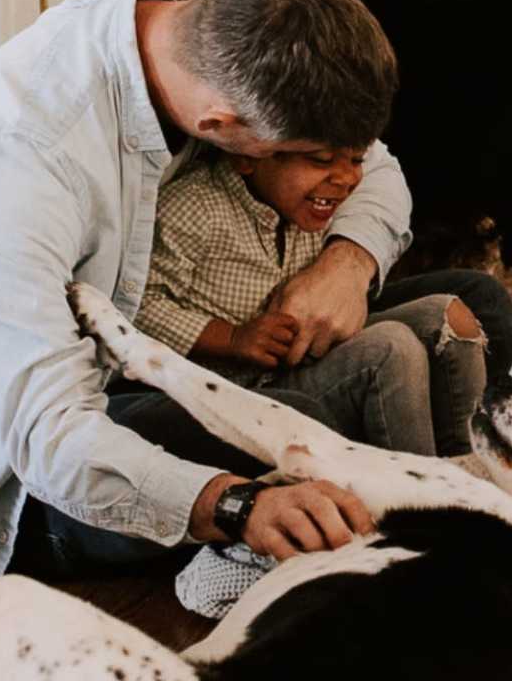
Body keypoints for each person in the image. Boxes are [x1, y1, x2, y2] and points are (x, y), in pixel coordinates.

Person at [0, 0, 412, 628]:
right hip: (17, 482)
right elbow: (50, 436)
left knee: (467, 307)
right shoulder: (20, 159)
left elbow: (378, 165)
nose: (345, 170)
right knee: (283, 431)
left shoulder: (200, 39)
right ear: (223, 126)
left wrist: (347, 263)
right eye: (316, 153)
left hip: (137, 372)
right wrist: (238, 506)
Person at [143, 142, 491, 458]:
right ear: (248, 154)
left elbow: (385, 181)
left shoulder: (313, 202)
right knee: (392, 348)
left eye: (356, 159)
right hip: (243, 389)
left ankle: (470, 473)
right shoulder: (194, 208)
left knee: (450, 315)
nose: (345, 178)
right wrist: (232, 338)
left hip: (308, 359)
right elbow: (139, 308)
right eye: (321, 160)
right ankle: (423, 507)